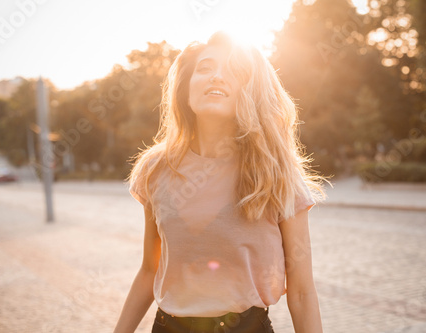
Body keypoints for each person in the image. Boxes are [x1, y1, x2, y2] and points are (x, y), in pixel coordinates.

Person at [114, 31, 325, 333]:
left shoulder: (276, 172)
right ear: (186, 88)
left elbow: (302, 292)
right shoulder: (155, 168)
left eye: (233, 70)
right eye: (205, 68)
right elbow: (150, 269)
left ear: (250, 90)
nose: (217, 76)